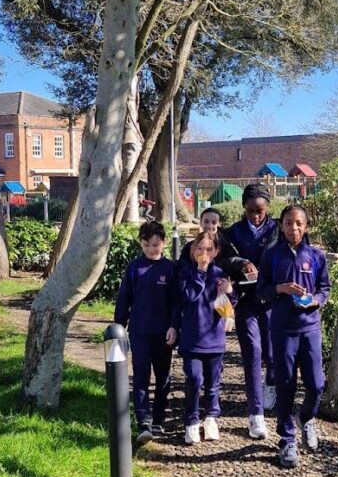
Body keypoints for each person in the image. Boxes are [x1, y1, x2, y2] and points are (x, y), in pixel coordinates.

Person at [256, 202, 330, 469]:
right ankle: (287, 440)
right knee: (286, 384)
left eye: (299, 223)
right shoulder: (272, 255)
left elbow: (325, 288)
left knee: (316, 384)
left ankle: (307, 418)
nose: (294, 228)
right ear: (281, 225)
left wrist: (316, 301)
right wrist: (281, 288)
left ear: (306, 226)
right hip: (282, 329)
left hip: (310, 328)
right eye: (288, 223)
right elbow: (261, 291)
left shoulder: (317, 255)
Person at [114, 219, 179, 446]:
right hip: (139, 332)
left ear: (163, 243)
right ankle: (144, 419)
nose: (153, 249)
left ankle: (159, 416)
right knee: (141, 376)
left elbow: (176, 302)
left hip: (163, 333)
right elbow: (124, 300)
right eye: (149, 245)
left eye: (157, 245)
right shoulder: (134, 269)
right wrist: (118, 327)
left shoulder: (171, 269)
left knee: (163, 377)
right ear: (141, 244)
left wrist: (174, 326)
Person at [222, 182, 279, 440]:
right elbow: (223, 259)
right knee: (252, 354)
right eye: (250, 210)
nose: (255, 215)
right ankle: (255, 415)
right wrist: (241, 262)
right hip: (246, 301)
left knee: (272, 353)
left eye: (260, 210)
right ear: (243, 207)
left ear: (267, 207)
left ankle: (271, 381)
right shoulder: (233, 232)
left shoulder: (278, 229)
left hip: (272, 301)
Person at [177, 228, 236, 445]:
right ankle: (191, 421)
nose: (203, 253)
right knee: (194, 379)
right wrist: (201, 272)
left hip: (214, 340)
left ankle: (211, 417)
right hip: (192, 339)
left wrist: (229, 291)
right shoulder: (185, 272)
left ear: (215, 251)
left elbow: (229, 308)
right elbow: (188, 296)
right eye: (199, 248)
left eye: (208, 249)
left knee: (213, 383)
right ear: (193, 250)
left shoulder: (219, 274)